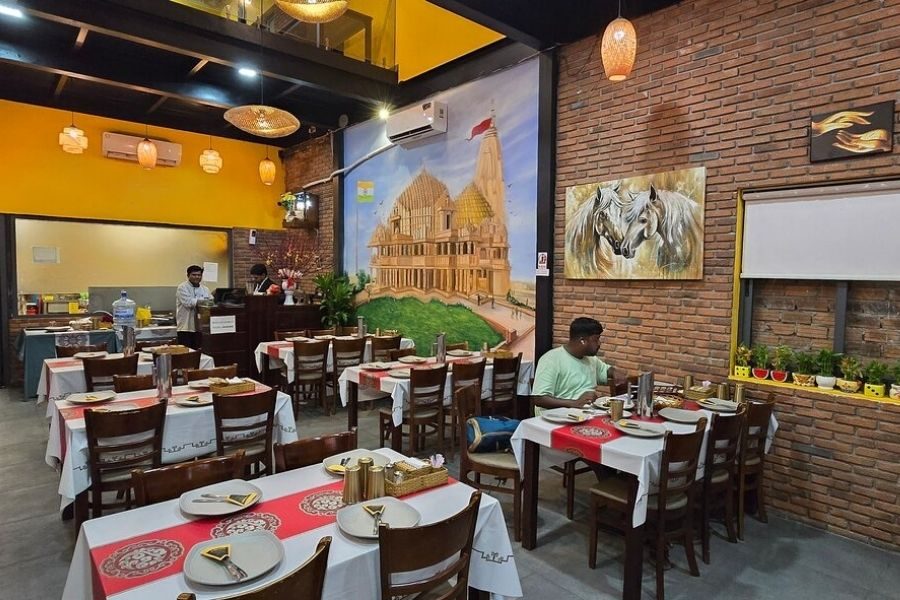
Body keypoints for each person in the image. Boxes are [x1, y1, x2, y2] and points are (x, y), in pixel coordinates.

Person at [532, 317, 612, 410]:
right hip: (556, 418)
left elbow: (605, 371)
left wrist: (616, 373)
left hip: (585, 415)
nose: (599, 343)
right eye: (596, 339)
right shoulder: (551, 360)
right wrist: (574, 403)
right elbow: (539, 399)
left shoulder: (591, 359)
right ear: (583, 340)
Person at [175, 265, 212, 349]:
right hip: (186, 327)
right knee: (186, 354)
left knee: (198, 353)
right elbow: (188, 303)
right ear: (188, 275)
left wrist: (207, 302)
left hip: (200, 328)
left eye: (199, 275)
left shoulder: (205, 289)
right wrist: (204, 302)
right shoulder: (182, 287)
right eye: (194, 275)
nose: (197, 277)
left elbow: (211, 302)